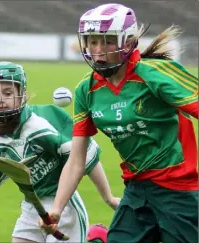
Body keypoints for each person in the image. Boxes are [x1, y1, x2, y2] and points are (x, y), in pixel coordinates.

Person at [39, 3, 198, 243]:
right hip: (136, 192)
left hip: (179, 191)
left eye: (108, 41)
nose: (99, 50)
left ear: (127, 41)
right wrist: (57, 209)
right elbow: (76, 159)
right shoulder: (87, 89)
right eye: (92, 42)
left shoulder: (155, 73)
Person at [0, 61, 120, 243]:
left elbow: (86, 156)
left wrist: (108, 197)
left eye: (8, 93)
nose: (0, 99)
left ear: (21, 95)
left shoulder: (40, 125)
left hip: (63, 204)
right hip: (31, 207)